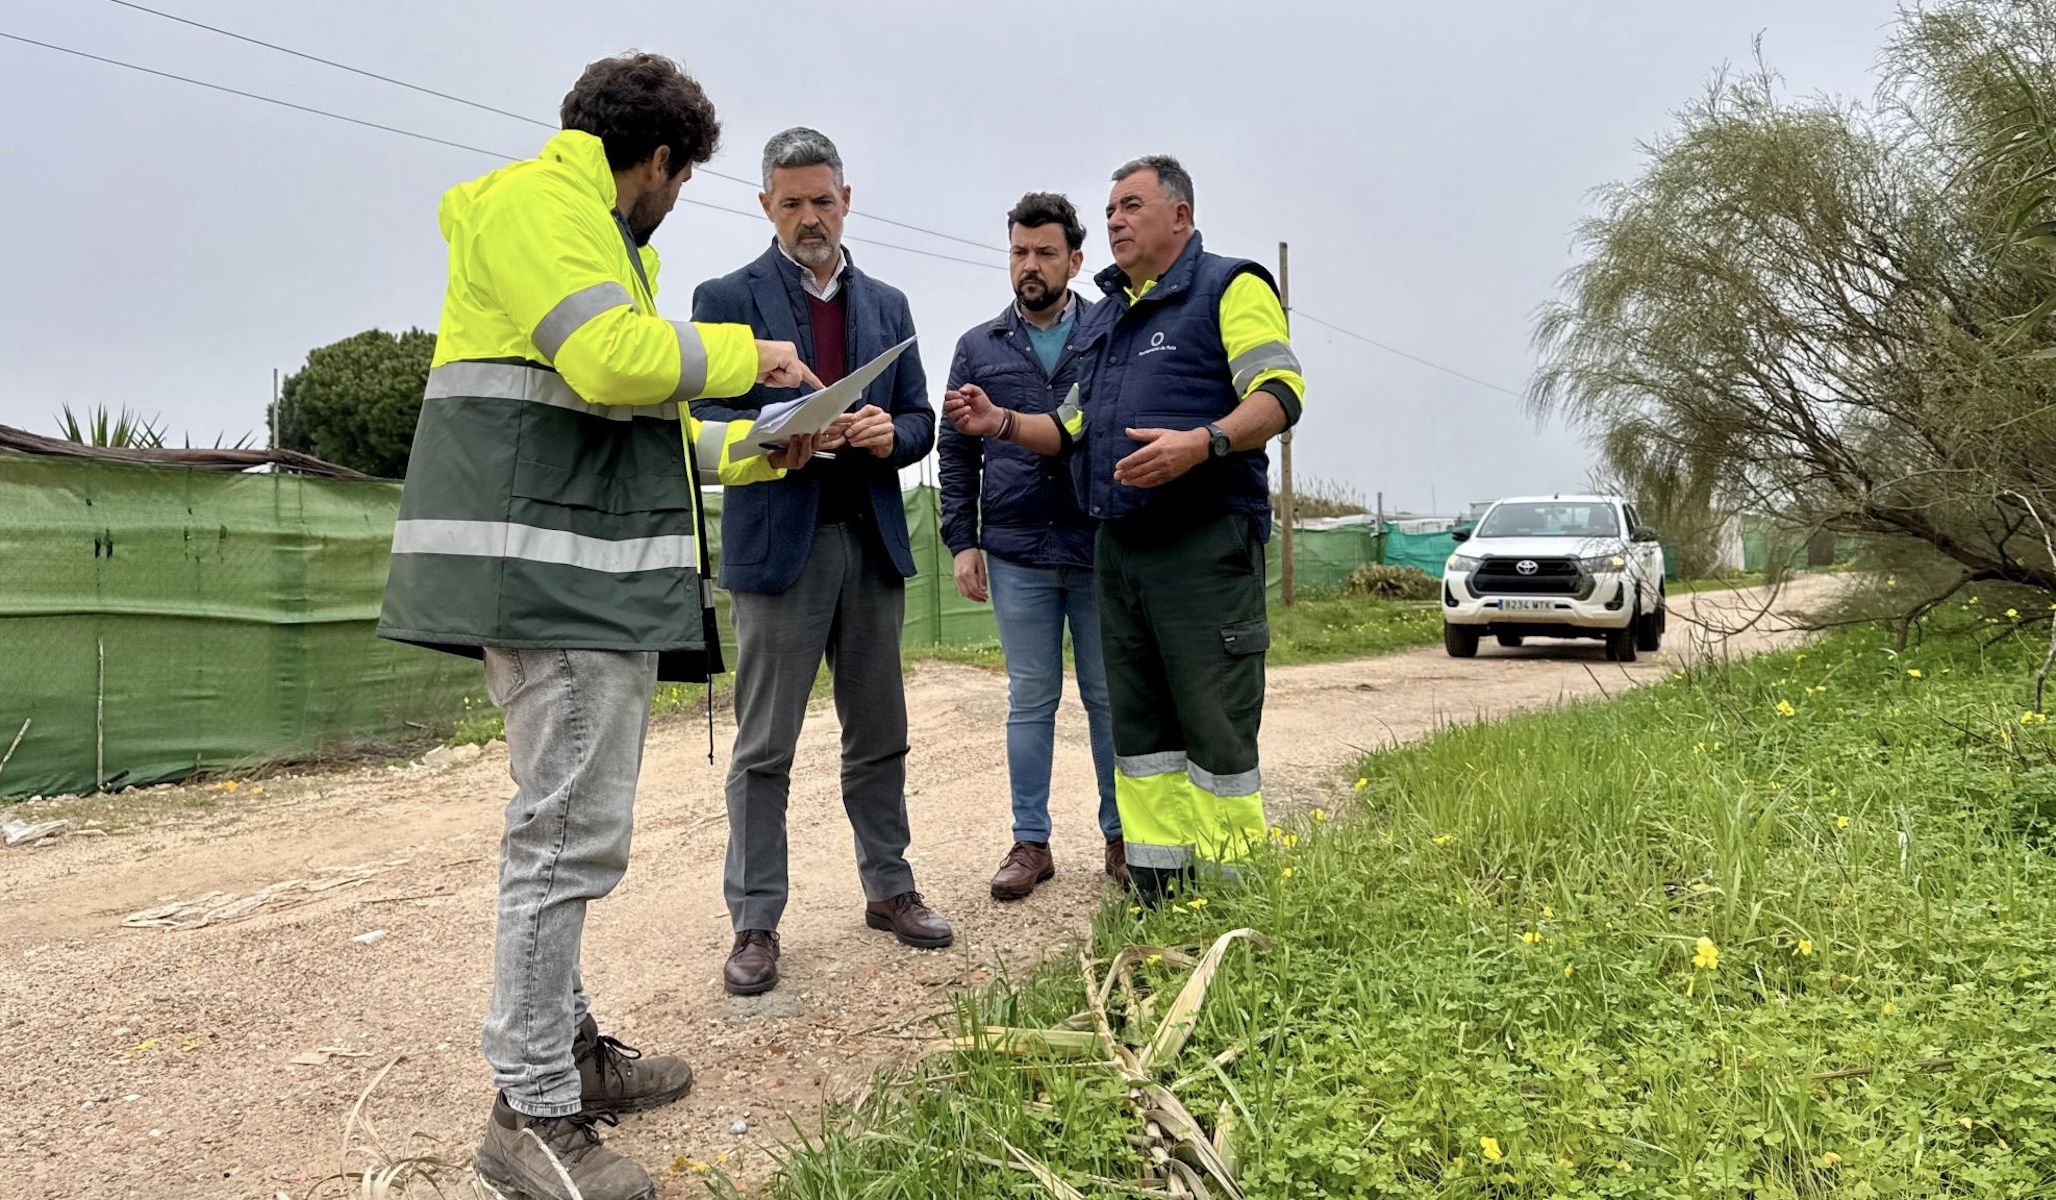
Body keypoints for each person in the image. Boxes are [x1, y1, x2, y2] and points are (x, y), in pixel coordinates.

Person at [377, 53, 822, 1200]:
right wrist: (750, 358)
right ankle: (527, 1112)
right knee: (564, 839)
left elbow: (628, 433)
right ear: (659, 160)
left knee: (565, 829)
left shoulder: (578, 232)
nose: (673, 204)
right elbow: (612, 364)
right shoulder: (539, 207)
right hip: (551, 591)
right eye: (681, 181)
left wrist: (766, 446)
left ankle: (566, 1050)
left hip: (569, 586)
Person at [944, 155, 1305, 904]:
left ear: (1180, 215)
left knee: (1212, 722)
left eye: (1131, 205)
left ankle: (1237, 895)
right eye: (1110, 209)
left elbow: (1280, 392)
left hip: (1204, 545)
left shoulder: (1230, 287)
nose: (1114, 221)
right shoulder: (1109, 317)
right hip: (1120, 549)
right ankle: (1158, 889)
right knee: (1142, 732)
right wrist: (1001, 421)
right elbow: (1071, 424)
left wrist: (1202, 442)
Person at [689, 127, 949, 998]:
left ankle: (890, 888)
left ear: (847, 200)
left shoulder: (890, 304)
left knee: (880, 734)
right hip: (780, 549)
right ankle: (755, 923)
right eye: (792, 202)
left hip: (869, 541)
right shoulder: (724, 297)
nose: (810, 217)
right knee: (765, 748)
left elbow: (921, 422)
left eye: (822, 200)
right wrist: (775, 437)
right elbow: (707, 418)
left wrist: (889, 434)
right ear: (765, 204)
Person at [937, 192, 1123, 900]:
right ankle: (1030, 842)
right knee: (1030, 698)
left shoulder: (1107, 332)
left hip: (1097, 543)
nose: (1030, 265)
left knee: (1109, 697)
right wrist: (963, 541)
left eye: (1046, 252)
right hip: (1015, 549)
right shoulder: (978, 347)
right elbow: (957, 452)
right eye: (1019, 251)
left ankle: (1121, 835)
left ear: (1076, 260)